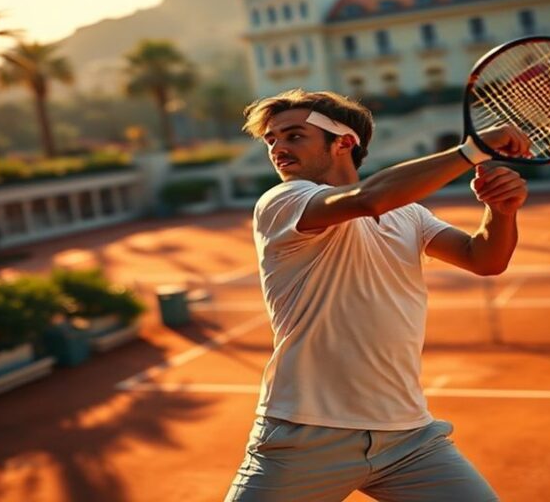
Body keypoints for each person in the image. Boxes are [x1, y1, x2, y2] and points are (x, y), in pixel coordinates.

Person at [226, 89, 531, 502]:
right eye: (271, 140)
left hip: (408, 435)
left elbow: (484, 259)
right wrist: (473, 151)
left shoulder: (409, 214)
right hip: (307, 432)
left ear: (343, 142)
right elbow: (370, 198)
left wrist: (502, 210)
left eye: (294, 135)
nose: (278, 148)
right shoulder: (283, 200)